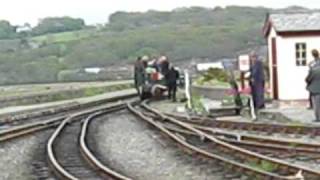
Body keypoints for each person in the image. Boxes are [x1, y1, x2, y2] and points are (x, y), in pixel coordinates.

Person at [306, 49, 320, 122]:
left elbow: (308, 79)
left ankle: (318, 118)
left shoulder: (313, 67)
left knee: (316, 105)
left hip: (315, 89)